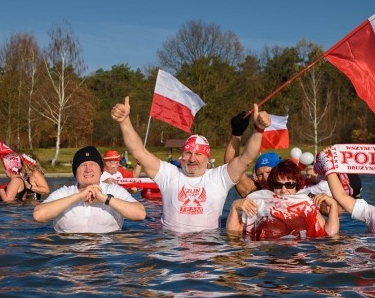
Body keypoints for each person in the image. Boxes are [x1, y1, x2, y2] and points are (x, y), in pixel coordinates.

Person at [111, 96, 271, 233]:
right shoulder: (169, 174)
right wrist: (124, 122)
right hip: (170, 250)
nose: (192, 158)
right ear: (182, 156)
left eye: (198, 154)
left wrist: (258, 130)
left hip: (207, 248)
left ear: (207, 159)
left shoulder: (219, 177)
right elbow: (139, 152)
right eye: (188, 153)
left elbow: (246, 158)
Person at [32, 146, 146, 233]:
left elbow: (140, 214)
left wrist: (104, 198)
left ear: (101, 171)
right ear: (75, 173)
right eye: (83, 165)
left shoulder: (114, 191)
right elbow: (38, 215)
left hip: (108, 254)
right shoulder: (65, 192)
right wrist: (78, 196)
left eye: (92, 164)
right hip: (69, 254)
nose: (88, 169)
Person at [226, 159, 339, 239]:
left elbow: (330, 233)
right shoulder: (259, 201)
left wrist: (333, 205)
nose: (284, 190)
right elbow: (234, 234)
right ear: (272, 185)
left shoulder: (306, 203)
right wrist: (234, 207)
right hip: (265, 255)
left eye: (289, 185)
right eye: (278, 185)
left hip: (299, 253)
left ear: (297, 185)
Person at [224, 111, 280, 197]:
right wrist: (237, 133)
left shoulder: (295, 190)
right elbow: (231, 167)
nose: (265, 178)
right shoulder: (253, 192)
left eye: (269, 172)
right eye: (260, 175)